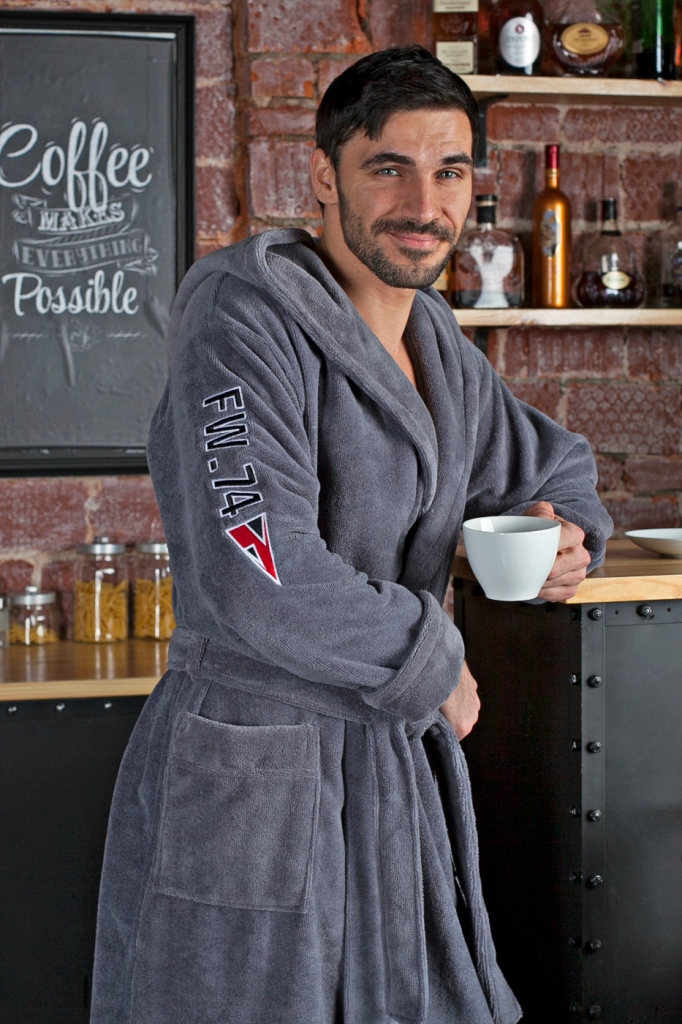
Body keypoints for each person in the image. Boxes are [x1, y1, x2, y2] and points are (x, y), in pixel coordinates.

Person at [91, 45, 612, 1024]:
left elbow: (552, 463)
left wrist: (567, 530)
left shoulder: (435, 343)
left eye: (449, 171)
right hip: (259, 765)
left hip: (389, 777)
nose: (425, 203)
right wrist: (428, 658)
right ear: (323, 176)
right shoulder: (242, 317)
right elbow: (258, 564)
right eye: (389, 168)